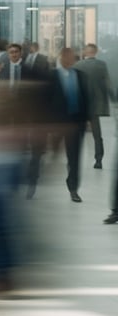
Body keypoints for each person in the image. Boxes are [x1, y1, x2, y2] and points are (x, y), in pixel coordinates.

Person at [48, 48, 89, 203]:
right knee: (50, 155)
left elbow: (85, 98)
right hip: (57, 123)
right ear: (62, 58)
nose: (71, 60)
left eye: (73, 57)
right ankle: (34, 178)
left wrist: (87, 119)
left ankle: (73, 189)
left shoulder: (80, 75)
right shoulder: (52, 76)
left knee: (74, 158)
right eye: (68, 57)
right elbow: (46, 100)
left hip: (75, 123)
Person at [74, 43, 113, 170]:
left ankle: (75, 160)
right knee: (97, 135)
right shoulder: (102, 65)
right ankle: (98, 160)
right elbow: (108, 84)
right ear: (95, 52)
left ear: (85, 52)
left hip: (81, 104)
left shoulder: (77, 65)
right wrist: (113, 99)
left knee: (77, 134)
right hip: (95, 105)